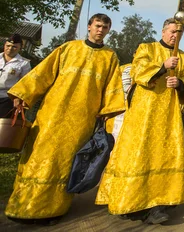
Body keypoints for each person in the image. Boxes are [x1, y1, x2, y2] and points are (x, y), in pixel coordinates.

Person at [5, 14, 124, 226]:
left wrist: (106, 113)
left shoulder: (110, 57)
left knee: (66, 162)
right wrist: (24, 96)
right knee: (37, 157)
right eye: (97, 25)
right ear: (89, 26)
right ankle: (22, 206)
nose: (100, 30)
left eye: (105, 27)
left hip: (82, 120)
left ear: (108, 30)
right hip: (52, 113)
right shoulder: (69, 48)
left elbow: (112, 89)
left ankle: (53, 209)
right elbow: (43, 74)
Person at [96, 18, 184, 224]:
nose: (174, 36)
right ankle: (128, 200)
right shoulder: (147, 48)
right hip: (143, 116)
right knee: (136, 156)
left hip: (169, 118)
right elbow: (137, 69)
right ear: (162, 31)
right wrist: (163, 66)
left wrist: (179, 83)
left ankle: (159, 205)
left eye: (178, 34)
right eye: (171, 31)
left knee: (163, 157)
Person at [0, 34, 31, 118]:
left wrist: (18, 97)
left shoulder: (24, 63)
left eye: (14, 47)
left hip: (6, 99)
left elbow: (24, 83)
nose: (10, 49)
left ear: (20, 48)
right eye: (8, 46)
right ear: (4, 45)